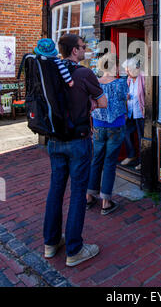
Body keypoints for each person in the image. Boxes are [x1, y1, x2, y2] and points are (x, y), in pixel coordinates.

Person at [43, 34, 107, 267]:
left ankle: (50, 244)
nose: (85, 50)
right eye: (83, 47)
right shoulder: (83, 73)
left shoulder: (51, 72)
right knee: (78, 193)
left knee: (56, 191)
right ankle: (74, 249)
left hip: (54, 140)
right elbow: (103, 103)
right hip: (78, 141)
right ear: (73, 51)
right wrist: (89, 102)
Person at [86, 53, 128, 215]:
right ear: (114, 66)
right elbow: (126, 98)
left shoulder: (94, 83)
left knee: (96, 160)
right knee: (110, 163)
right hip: (116, 125)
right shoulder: (120, 83)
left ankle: (89, 196)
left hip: (98, 126)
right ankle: (105, 202)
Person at [120, 57, 145, 171]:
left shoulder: (144, 77)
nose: (126, 72)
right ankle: (131, 155)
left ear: (136, 68)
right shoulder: (129, 79)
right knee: (126, 133)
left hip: (140, 112)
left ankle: (143, 161)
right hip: (130, 111)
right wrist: (126, 96)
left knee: (142, 137)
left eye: (128, 69)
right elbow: (126, 92)